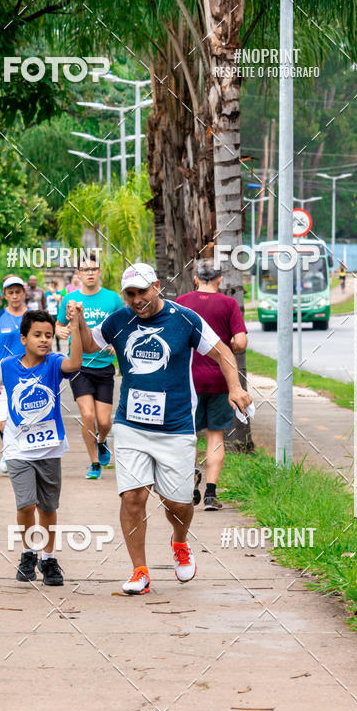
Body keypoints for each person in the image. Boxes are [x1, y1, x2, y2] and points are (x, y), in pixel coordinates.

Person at [67, 262, 252, 596]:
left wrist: (235, 389)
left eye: (142, 291)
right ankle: (140, 571)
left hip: (176, 427)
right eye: (130, 294)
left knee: (178, 503)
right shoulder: (119, 320)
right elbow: (92, 345)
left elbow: (224, 351)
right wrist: (77, 321)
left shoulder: (184, 319)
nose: (137, 299)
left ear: (156, 286)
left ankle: (179, 542)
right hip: (131, 426)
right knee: (133, 497)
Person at [0, 310, 83, 586]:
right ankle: (27, 554)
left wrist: (74, 326)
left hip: (49, 448)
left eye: (48, 335)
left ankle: (48, 559)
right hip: (18, 448)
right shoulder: (8, 365)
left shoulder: (54, 363)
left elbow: (76, 362)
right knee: (26, 503)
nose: (44, 340)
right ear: (23, 338)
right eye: (37, 335)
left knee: (48, 507)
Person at [176, 261, 248, 510]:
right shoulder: (229, 304)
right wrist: (232, 345)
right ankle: (210, 494)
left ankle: (189, 484)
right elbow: (240, 342)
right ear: (220, 279)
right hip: (220, 379)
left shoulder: (182, 301)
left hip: (188, 381)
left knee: (189, 436)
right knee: (215, 436)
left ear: (196, 278)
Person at [56, 254, 123, 479]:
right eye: (85, 270)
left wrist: (115, 342)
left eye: (94, 269)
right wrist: (59, 331)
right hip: (79, 366)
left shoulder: (112, 299)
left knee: (104, 421)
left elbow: (122, 326)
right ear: (79, 274)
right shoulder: (69, 299)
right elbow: (58, 324)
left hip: (104, 366)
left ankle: (101, 440)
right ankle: (94, 462)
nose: (90, 273)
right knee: (87, 415)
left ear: (100, 271)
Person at [0, 275, 27, 473]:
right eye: (10, 292)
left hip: (28, 374)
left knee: (22, 419)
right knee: (4, 422)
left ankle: (18, 456)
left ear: (24, 293)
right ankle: (8, 453)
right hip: (4, 375)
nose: (15, 296)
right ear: (4, 295)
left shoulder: (32, 316)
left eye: (18, 292)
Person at [45, 279, 63, 350]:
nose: (50, 285)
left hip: (56, 314)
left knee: (56, 330)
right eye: (49, 284)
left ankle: (58, 346)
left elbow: (58, 298)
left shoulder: (58, 292)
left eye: (51, 284)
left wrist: (53, 292)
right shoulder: (46, 293)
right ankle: (50, 347)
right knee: (49, 331)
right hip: (49, 314)